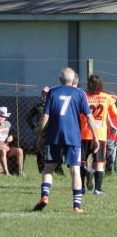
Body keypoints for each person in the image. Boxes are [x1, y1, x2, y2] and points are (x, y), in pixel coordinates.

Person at [33, 68, 99, 213]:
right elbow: (89, 117)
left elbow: (45, 116)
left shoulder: (52, 92)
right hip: (73, 137)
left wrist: (40, 135)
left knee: (49, 168)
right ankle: (76, 206)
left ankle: (44, 196)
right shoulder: (80, 93)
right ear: (73, 79)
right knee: (75, 170)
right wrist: (95, 137)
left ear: (60, 79)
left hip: (54, 136)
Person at [79, 74, 117, 195]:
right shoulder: (107, 98)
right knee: (99, 162)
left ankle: (82, 188)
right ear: (101, 84)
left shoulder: (84, 97)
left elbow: (79, 115)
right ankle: (98, 189)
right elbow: (114, 113)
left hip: (84, 134)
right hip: (100, 135)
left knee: (82, 162)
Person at [0, 107, 24, 176]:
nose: (0, 118)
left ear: (5, 118)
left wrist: (11, 136)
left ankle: (20, 172)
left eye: (2, 116)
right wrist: (1, 146)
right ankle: (7, 172)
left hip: (6, 147)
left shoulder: (8, 124)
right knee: (3, 150)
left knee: (19, 150)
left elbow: (14, 132)